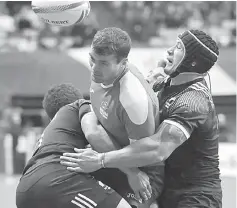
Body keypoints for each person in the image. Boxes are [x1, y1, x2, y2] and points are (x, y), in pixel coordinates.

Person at [60, 29, 222, 208]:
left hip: (197, 196)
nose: (168, 51)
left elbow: (157, 148)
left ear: (192, 62)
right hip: (167, 189)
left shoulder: (192, 102)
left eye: (178, 48)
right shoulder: (167, 82)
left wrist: (100, 159)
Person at [70, 27, 163, 207]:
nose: (94, 68)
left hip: (140, 173)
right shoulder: (100, 74)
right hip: (107, 160)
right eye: (92, 59)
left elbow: (142, 155)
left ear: (123, 62)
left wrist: (132, 173)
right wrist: (93, 132)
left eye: (104, 63)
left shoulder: (132, 100)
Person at [16, 83, 132, 208]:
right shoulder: (80, 105)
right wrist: (132, 171)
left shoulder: (48, 135)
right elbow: (94, 133)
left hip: (24, 190)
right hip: (56, 182)